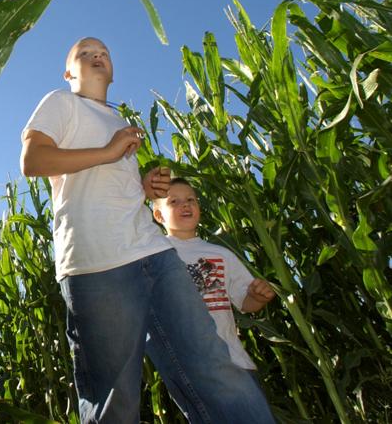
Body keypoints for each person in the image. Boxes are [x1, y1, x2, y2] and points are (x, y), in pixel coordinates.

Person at [20, 37, 274, 423]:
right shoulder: (61, 102)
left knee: (214, 365)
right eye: (85, 53)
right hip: (96, 264)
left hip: (153, 251)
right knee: (114, 398)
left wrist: (143, 189)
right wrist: (108, 151)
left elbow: (104, 191)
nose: (97, 55)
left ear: (114, 70)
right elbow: (33, 159)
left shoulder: (121, 121)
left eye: (104, 52)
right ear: (68, 72)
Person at [149, 177, 276, 416]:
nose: (185, 205)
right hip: (191, 362)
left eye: (191, 200)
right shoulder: (154, 253)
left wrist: (258, 296)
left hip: (236, 360)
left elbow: (245, 303)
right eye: (174, 201)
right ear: (159, 216)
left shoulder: (221, 254)